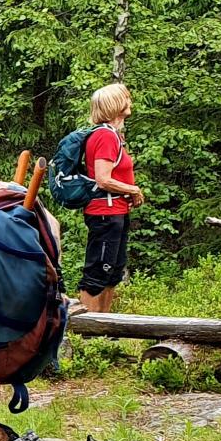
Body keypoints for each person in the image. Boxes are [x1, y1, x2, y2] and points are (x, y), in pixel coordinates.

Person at [78, 84, 143, 313]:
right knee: (98, 270)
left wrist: (128, 192)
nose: (131, 103)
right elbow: (103, 179)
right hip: (104, 213)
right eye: (127, 99)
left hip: (116, 211)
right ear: (116, 104)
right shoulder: (105, 136)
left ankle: (104, 329)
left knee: (113, 271)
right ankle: (86, 331)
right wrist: (133, 190)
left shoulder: (114, 135)